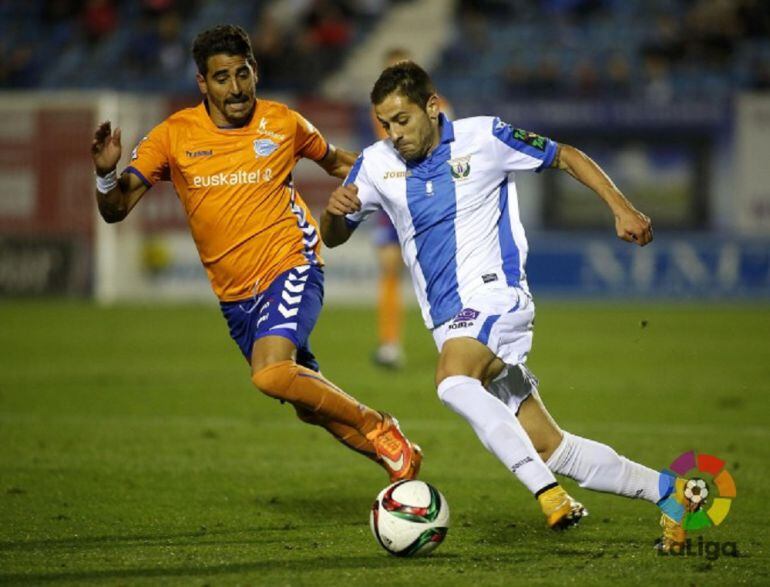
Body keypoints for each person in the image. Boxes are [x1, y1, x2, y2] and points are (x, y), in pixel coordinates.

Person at [321, 60, 688, 551]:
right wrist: (333, 215)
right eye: (385, 123)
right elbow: (335, 237)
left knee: (452, 381)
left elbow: (566, 156)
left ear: (432, 107)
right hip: (450, 320)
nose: (394, 133)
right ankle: (672, 493)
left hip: (497, 295)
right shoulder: (376, 163)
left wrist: (621, 207)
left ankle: (548, 495)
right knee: (548, 445)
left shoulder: (485, 137)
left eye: (402, 120)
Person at [90, 24, 421, 484]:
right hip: (235, 298)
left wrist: (410, 174)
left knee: (269, 374)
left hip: (292, 263)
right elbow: (116, 209)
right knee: (308, 405)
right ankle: (401, 466)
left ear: (255, 71)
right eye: (222, 78)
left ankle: (379, 426)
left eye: (242, 74)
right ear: (202, 83)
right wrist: (107, 176)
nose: (236, 87)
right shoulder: (172, 136)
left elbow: (341, 162)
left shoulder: (283, 122)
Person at [368, 48, 454, 369]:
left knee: (438, 269)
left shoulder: (437, 105)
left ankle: (453, 337)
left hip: (429, 197)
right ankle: (389, 344)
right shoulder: (379, 109)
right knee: (390, 268)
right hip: (394, 196)